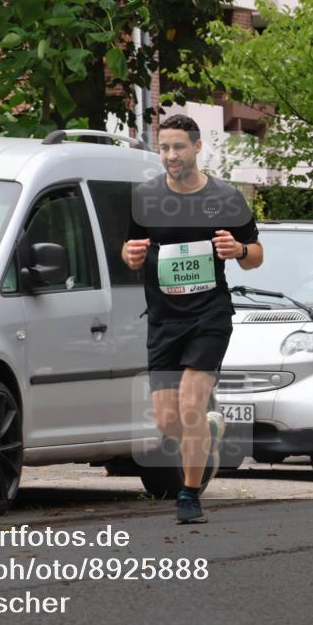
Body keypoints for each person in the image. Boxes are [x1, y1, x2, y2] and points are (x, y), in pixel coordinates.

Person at [122, 114, 264, 524]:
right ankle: (209, 430)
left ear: (197, 147)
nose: (170, 155)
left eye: (178, 147)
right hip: (164, 319)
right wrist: (128, 256)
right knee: (169, 422)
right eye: (164, 147)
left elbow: (256, 256)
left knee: (189, 406)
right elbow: (132, 249)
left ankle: (188, 496)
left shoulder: (225, 198)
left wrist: (237, 250)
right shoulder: (146, 197)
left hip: (209, 316)